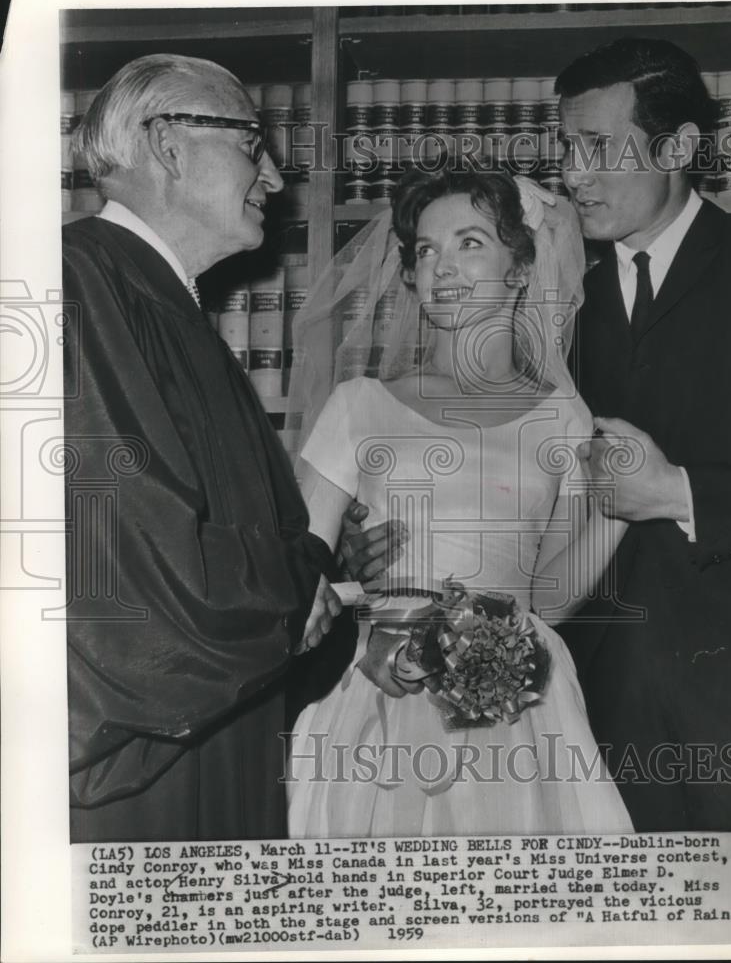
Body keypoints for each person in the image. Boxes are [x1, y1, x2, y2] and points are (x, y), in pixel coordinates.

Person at [284, 167, 633, 836]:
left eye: (469, 242)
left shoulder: (562, 414)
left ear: (520, 268)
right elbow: (294, 574)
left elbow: (552, 598)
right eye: (425, 249)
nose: (441, 266)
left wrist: (619, 511)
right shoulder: (359, 405)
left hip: (521, 702)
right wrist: (358, 593)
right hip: (381, 688)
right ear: (409, 275)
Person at [63, 53, 343, 842]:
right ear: (168, 146)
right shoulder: (78, 285)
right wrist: (297, 591)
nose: (277, 177)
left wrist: (311, 590)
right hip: (142, 761)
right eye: (252, 143)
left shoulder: (166, 305)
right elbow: (128, 559)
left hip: (219, 725)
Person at [554, 38, 731, 831]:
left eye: (597, 147)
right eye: (565, 147)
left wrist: (677, 491)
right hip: (586, 705)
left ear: (677, 148)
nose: (572, 174)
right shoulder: (560, 289)